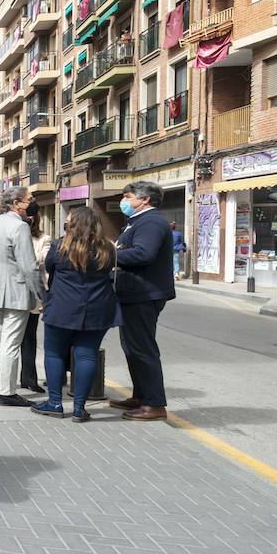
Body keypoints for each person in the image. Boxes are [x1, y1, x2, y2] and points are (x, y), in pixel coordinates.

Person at [32, 206, 118, 422]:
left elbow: (49, 267)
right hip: (97, 309)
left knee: (54, 353)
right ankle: (79, 408)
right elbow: (109, 272)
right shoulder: (107, 248)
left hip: (62, 308)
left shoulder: (60, 246)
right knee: (87, 355)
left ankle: (55, 402)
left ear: (72, 225)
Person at [109, 181, 176, 422]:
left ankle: (154, 404)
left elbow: (143, 253)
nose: (124, 201)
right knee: (131, 348)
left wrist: (110, 254)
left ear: (145, 199)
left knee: (142, 348)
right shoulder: (137, 221)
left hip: (144, 294)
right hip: (132, 293)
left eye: (127, 196)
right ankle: (140, 395)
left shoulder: (152, 222)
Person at [0, 186, 44, 408]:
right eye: (29, 199)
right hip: (16, 290)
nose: (32, 202)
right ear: (16, 203)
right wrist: (41, 295)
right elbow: (29, 266)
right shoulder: (20, 226)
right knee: (11, 342)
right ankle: (7, 391)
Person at [17, 208, 50, 394]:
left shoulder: (43, 239)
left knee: (29, 337)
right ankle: (3, 380)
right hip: (13, 292)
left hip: (34, 293)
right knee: (10, 339)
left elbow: (41, 259)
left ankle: (29, 378)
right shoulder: (9, 234)